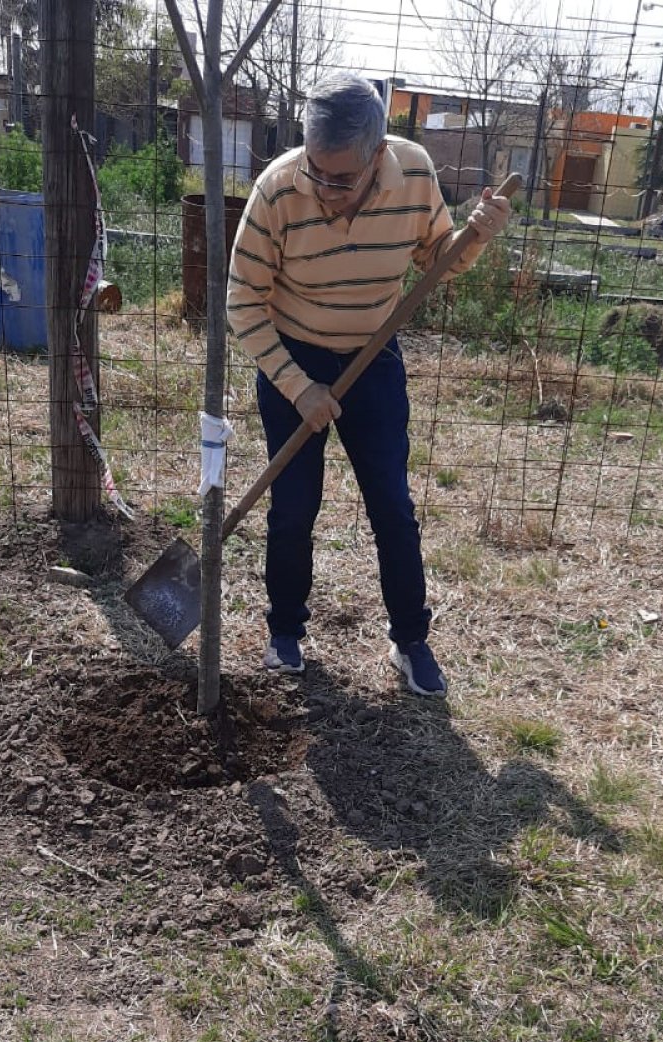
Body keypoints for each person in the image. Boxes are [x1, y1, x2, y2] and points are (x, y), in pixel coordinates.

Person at [227, 70, 511, 697]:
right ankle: (285, 633)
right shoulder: (277, 191)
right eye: (317, 173)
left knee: (392, 506)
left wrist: (476, 237)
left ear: (378, 154)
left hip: (373, 355)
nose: (326, 189)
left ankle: (410, 639)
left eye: (343, 178)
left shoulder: (412, 174)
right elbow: (243, 305)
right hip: (292, 357)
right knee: (294, 505)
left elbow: (438, 263)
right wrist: (300, 387)